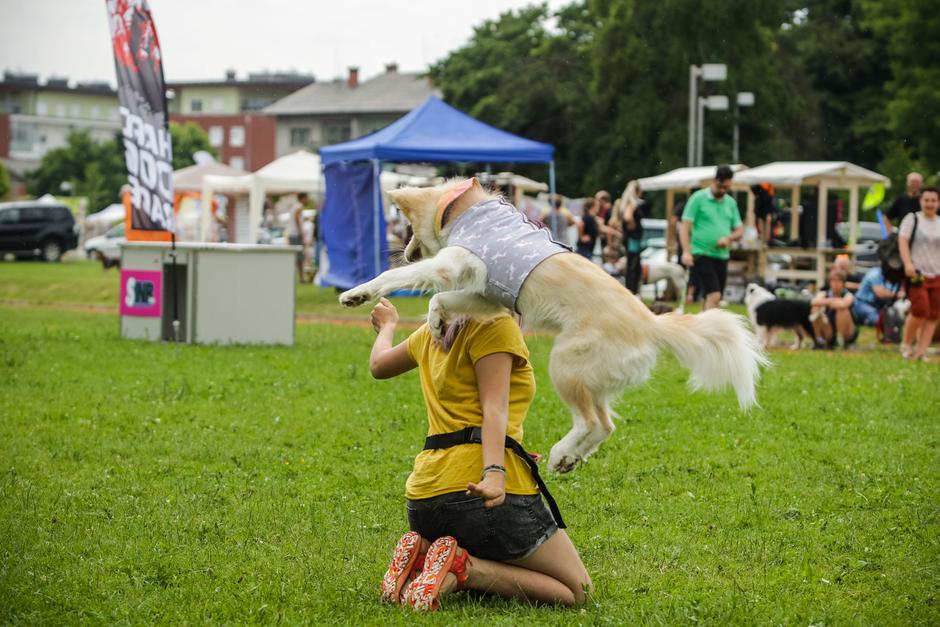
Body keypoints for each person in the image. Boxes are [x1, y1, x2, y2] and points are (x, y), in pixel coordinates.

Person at [368, 298, 592, 611]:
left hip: (424, 500)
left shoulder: (432, 330)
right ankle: (464, 567)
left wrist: (388, 325)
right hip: (481, 497)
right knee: (577, 591)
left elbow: (379, 366)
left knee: (491, 556)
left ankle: (424, 554)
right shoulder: (495, 323)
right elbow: (493, 408)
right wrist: (495, 474)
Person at [680, 165, 744, 310]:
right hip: (702, 253)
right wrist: (686, 251)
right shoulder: (698, 198)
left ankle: (702, 322)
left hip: (722, 255)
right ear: (715, 181)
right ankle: (711, 325)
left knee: (710, 297)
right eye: (721, 187)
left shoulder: (730, 203)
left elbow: (740, 230)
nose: (723, 191)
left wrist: (729, 238)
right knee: (715, 296)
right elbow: (685, 226)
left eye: (727, 188)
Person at [898, 186, 940, 361]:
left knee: (933, 314)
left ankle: (921, 351)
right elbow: (903, 240)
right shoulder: (912, 219)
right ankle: (906, 343)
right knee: (920, 309)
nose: (930, 204)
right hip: (917, 273)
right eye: (926, 200)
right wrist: (908, 263)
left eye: (933, 201)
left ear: (938, 203)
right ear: (920, 201)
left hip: (937, 274)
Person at [810, 267, 859, 348]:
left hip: (848, 331)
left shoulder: (848, 295)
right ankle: (819, 340)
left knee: (842, 310)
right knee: (815, 309)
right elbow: (814, 302)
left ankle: (841, 340)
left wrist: (826, 301)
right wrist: (833, 301)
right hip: (829, 329)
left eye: (839, 281)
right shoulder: (824, 293)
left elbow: (843, 304)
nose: (836, 283)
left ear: (843, 283)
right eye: (833, 280)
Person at [620, 182, 648, 294]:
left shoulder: (626, 203)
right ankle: (632, 290)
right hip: (633, 239)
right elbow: (628, 217)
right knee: (633, 265)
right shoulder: (632, 204)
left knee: (632, 264)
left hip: (631, 238)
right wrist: (633, 227)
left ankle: (631, 290)